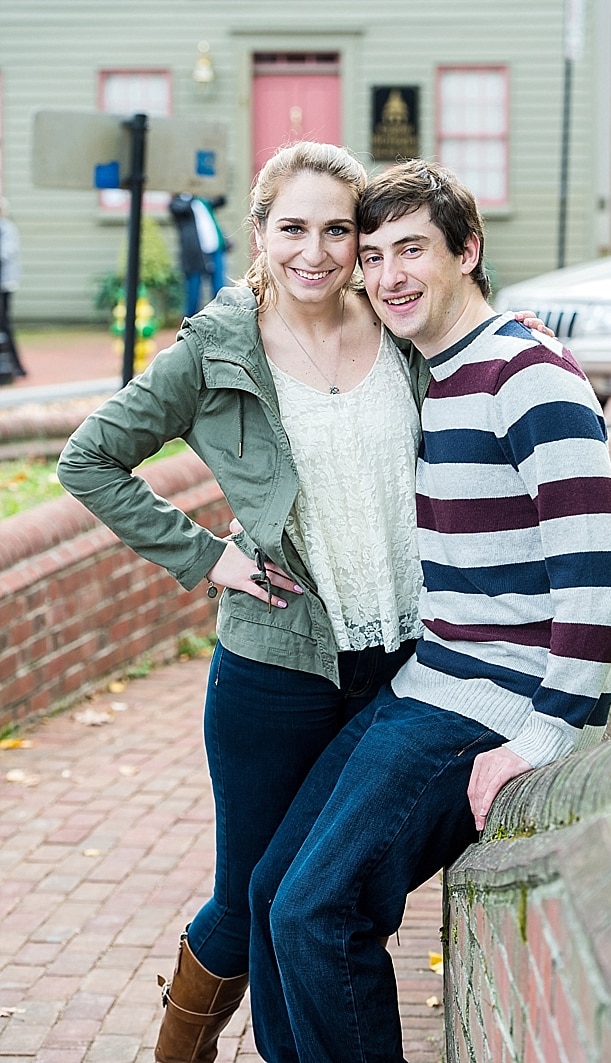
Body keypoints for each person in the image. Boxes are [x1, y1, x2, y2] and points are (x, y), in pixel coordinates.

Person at [245, 160, 611, 1063]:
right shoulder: (434, 370)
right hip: (428, 681)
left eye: (412, 249)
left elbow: (602, 564)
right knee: (273, 889)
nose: (388, 276)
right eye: (373, 254)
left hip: (487, 703)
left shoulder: (525, 373)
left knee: (319, 911)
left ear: (469, 250)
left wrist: (542, 736)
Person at [58, 142, 434, 1063]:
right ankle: (182, 1050)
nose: (316, 252)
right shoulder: (214, 348)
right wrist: (204, 556)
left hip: (402, 658)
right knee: (250, 897)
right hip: (276, 673)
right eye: (293, 228)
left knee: (331, 895)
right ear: (259, 233)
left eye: (338, 230)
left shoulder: (396, 324)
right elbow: (89, 459)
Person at [169, 193, 227, 319]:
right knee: (193, 294)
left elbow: (221, 200)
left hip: (215, 249)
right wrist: (190, 193)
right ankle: (189, 324)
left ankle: (221, 319)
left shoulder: (203, 201)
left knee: (219, 288)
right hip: (194, 255)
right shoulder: (178, 203)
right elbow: (180, 208)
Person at [0, 197, 26, 380]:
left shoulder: (7, 228)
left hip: (4, 284)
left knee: (4, 325)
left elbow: (6, 253)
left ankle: (15, 366)